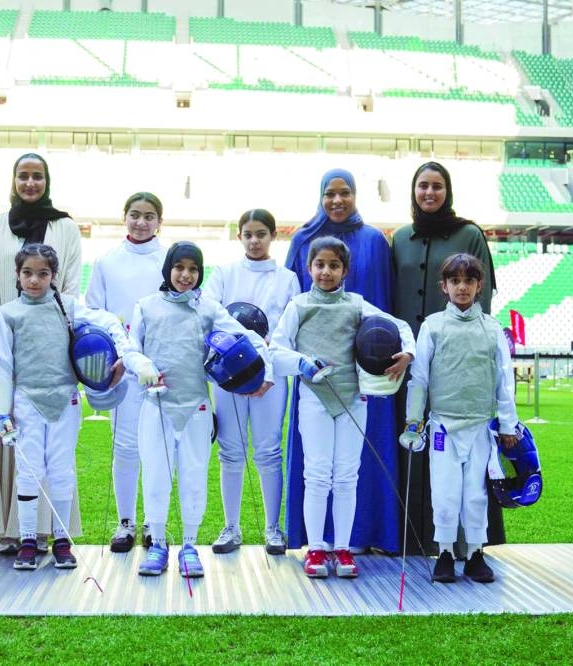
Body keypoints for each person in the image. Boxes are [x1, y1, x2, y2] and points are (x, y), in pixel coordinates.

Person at [0, 153, 83, 555]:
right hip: (3, 353)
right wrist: (4, 329)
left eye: (38, 176)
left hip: (49, 357)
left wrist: (41, 322)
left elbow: (72, 287)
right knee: (10, 436)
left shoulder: (65, 227)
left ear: (47, 180)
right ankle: (9, 530)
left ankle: (46, 530)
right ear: (13, 180)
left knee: (54, 452)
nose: (30, 183)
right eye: (23, 176)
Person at [122, 241, 273, 578]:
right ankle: (158, 544)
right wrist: (142, 364)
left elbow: (246, 335)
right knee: (157, 475)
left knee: (193, 477)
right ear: (169, 269)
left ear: (200, 273)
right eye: (180, 268)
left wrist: (267, 370)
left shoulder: (208, 308)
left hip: (196, 407)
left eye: (193, 269)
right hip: (156, 406)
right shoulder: (146, 306)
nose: (186, 275)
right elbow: (130, 349)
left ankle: (189, 546)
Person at [272, 237, 414, 578]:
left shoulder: (357, 304)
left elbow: (403, 327)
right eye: (319, 265)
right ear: (309, 268)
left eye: (334, 265)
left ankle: (343, 550)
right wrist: (303, 363)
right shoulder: (299, 305)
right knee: (317, 475)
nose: (326, 271)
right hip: (315, 399)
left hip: (353, 399)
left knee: (347, 476)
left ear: (345, 270)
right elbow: (275, 351)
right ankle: (317, 548)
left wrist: (407, 353)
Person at [391, 160, 503, 558]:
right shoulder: (401, 238)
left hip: (459, 366)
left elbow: (483, 299)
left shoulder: (468, 234)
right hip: (410, 363)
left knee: (467, 466)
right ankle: (419, 538)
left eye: (437, 186)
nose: (430, 193)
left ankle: (467, 544)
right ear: (414, 191)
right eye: (423, 186)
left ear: (448, 190)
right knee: (419, 444)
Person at [0, 243, 130, 570]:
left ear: (53, 276)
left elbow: (110, 322)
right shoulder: (8, 314)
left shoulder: (67, 307)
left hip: (66, 400)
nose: (34, 280)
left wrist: (122, 354)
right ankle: (28, 540)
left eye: (43, 274)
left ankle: (62, 541)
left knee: (61, 470)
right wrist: (2, 412)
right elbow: (4, 366)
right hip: (26, 401)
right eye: (27, 273)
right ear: (17, 274)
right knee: (29, 471)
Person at [284, 168, 399, 553]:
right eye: (329, 193)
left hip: (361, 378)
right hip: (316, 381)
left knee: (352, 467)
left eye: (344, 193)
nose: (336, 200)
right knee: (316, 468)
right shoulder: (303, 239)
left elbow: (385, 309)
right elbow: (288, 312)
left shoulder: (375, 241)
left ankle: (360, 538)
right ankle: (314, 542)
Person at [400, 253, 517, 584]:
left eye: (469, 280)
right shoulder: (433, 326)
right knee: (445, 492)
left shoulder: (492, 329)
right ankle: (446, 553)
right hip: (442, 427)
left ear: (480, 285)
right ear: (444, 286)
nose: (462, 287)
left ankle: (476, 552)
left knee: (476, 494)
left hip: (480, 426)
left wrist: (507, 424)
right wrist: (413, 422)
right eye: (455, 281)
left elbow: (504, 381)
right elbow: (419, 378)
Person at [202, 209, 300, 555]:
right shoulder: (224, 274)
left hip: (269, 377)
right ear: (240, 236)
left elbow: (288, 329)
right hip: (228, 374)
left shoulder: (287, 278)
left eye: (261, 233)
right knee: (230, 451)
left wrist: (267, 371)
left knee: (269, 451)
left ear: (273, 236)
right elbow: (210, 314)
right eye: (248, 234)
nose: (254, 240)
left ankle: (273, 529)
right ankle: (231, 528)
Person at [85, 192, 168, 552]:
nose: (141, 222)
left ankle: (154, 523)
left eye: (149, 216)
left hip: (160, 370)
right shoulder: (106, 262)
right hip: (121, 369)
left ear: (159, 222)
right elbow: (94, 313)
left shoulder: (169, 260)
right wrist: (116, 357)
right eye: (135, 214)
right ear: (125, 217)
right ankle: (126, 523)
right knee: (125, 447)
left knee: (156, 448)